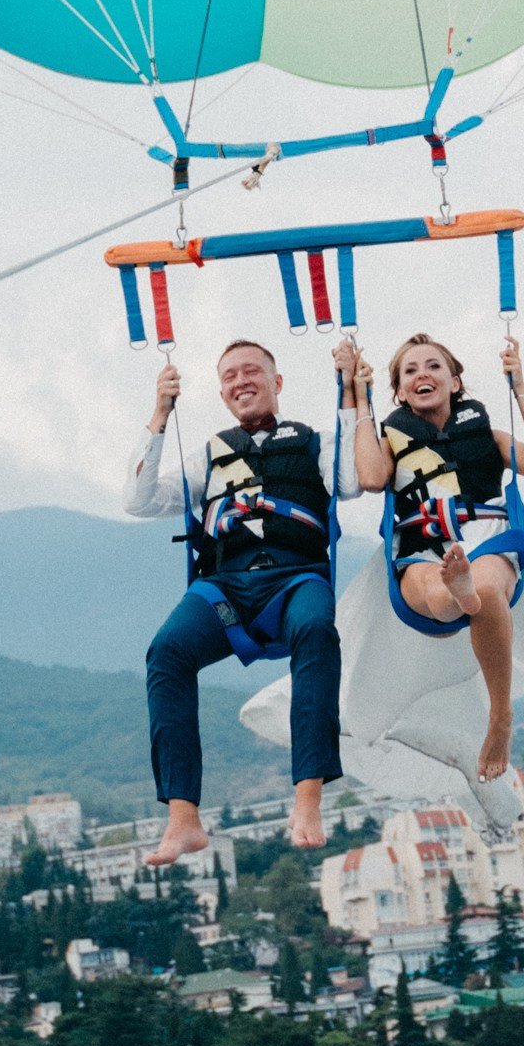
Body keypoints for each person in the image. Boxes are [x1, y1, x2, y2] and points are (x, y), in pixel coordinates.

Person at [125, 336, 369, 863]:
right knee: (166, 652)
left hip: (296, 580)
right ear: (221, 393)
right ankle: (183, 819)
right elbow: (139, 501)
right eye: (230, 376)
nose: (242, 381)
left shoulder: (314, 442)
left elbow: (351, 483)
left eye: (252, 371)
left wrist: (350, 392)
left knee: (317, 633)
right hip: (224, 591)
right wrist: (160, 415)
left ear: (276, 382)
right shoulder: (207, 456)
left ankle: (307, 799)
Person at [353, 332, 524, 785]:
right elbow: (369, 478)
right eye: (410, 371)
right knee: (438, 593)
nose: (422, 374)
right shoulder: (392, 442)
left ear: (455, 381)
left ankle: (500, 717)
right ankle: (458, 592)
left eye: (433, 366)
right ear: (400, 392)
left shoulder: (486, 434)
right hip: (422, 548)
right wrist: (360, 401)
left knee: (483, 586)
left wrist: (519, 388)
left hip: (484, 536)